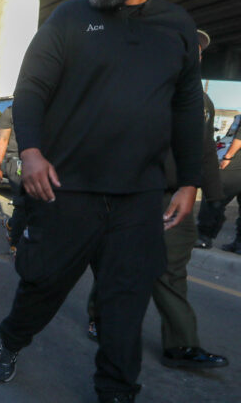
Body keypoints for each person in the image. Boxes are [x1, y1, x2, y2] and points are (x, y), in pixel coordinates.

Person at [0, 0, 204, 403]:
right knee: (40, 286)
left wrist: (189, 181)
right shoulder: (69, 18)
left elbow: (184, 107)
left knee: (125, 304)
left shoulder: (175, 26)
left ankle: (114, 401)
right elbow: (31, 87)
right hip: (66, 191)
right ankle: (12, 340)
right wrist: (32, 151)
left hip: (139, 198)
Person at [85, 29, 228, 369]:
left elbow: (204, 148)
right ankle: (99, 317)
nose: (195, 54)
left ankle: (181, 346)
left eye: (199, 50)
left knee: (171, 268)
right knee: (119, 262)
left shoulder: (201, 101)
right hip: (134, 194)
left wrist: (214, 195)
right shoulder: (138, 87)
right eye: (187, 47)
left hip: (177, 196)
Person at [195, 104, 241, 253]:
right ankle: (239, 244)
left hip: (235, 165)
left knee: (213, 196)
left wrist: (228, 157)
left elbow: (239, 138)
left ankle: (204, 236)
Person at [0, 105, 25, 253]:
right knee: (23, 203)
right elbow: (2, 140)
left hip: (34, 160)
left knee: (33, 203)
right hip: (15, 161)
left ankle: (12, 224)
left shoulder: (41, 107)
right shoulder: (10, 111)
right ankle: (14, 242)